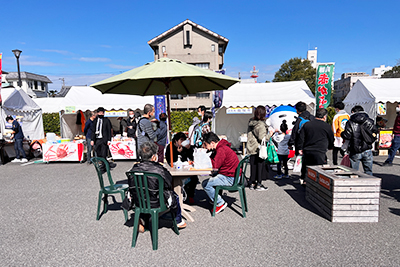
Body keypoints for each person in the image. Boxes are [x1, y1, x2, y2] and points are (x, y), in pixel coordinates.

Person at [128, 141, 186, 232]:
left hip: (139, 201)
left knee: (145, 194)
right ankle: (178, 221)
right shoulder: (159, 169)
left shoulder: (133, 169)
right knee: (175, 196)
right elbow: (168, 182)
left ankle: (143, 218)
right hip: (157, 202)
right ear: (154, 157)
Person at [201, 132, 239, 214]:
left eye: (206, 145)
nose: (206, 147)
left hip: (230, 178)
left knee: (205, 184)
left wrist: (207, 155)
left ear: (212, 143)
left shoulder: (221, 149)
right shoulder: (223, 146)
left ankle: (220, 203)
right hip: (233, 175)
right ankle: (214, 198)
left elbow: (215, 166)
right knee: (213, 177)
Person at [298, 108, 334, 183]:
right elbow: (331, 138)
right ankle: (319, 182)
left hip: (308, 149)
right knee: (320, 168)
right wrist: (330, 146)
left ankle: (305, 180)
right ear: (324, 117)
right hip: (320, 150)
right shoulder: (326, 126)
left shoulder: (307, 125)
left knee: (307, 166)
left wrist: (300, 148)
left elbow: (301, 137)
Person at [341, 105, 378, 175]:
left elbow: (347, 136)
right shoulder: (370, 121)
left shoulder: (350, 122)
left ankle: (356, 185)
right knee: (368, 171)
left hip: (355, 149)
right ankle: (370, 185)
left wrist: (342, 134)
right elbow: (375, 132)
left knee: (354, 172)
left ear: (353, 112)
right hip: (367, 148)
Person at [165, 132, 199, 204]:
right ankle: (175, 197)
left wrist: (189, 148)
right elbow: (170, 160)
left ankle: (190, 196)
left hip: (185, 167)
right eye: (181, 140)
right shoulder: (170, 147)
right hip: (174, 168)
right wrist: (177, 152)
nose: (182, 142)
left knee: (194, 177)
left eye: (184, 140)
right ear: (176, 141)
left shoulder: (184, 147)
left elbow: (190, 157)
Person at [246, 105, 270, 190]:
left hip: (251, 146)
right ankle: (259, 184)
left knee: (253, 166)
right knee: (260, 166)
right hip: (259, 148)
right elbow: (262, 137)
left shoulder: (251, 121)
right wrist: (271, 134)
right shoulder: (260, 124)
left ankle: (252, 183)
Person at [90, 107, 116, 172]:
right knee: (98, 152)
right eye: (99, 112)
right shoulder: (95, 121)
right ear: (97, 113)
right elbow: (93, 130)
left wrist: (109, 140)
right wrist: (92, 139)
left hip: (104, 139)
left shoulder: (106, 121)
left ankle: (103, 168)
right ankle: (105, 164)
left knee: (104, 154)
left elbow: (109, 131)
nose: (101, 114)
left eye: (102, 112)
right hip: (97, 139)